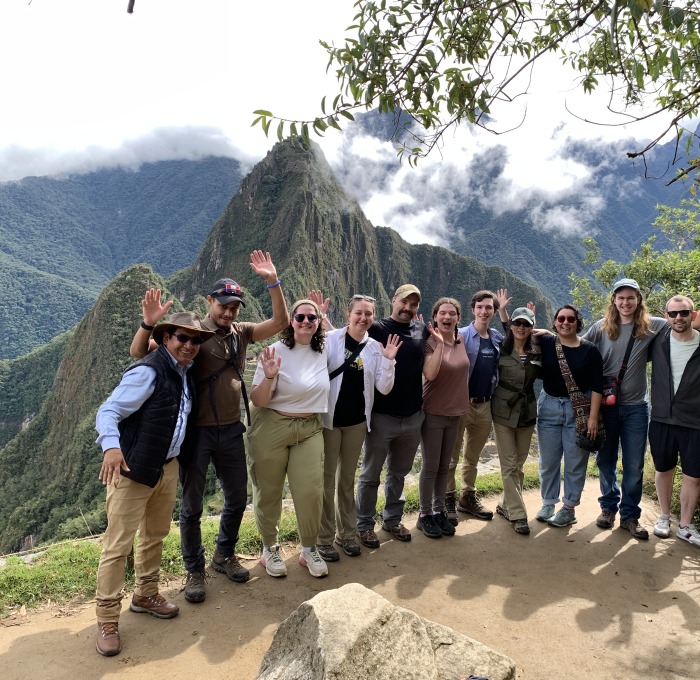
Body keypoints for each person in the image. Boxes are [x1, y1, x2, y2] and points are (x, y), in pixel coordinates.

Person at [130, 250, 288, 603]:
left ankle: (223, 555)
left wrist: (273, 281)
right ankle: (194, 569)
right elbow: (141, 353)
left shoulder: (241, 333)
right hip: (198, 432)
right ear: (210, 302)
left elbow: (280, 322)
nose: (228, 312)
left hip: (232, 429)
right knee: (192, 506)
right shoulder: (191, 333)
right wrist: (146, 324)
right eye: (223, 305)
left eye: (234, 307)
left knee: (236, 498)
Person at [94, 312, 214, 657]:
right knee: (117, 546)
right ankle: (107, 618)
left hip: (167, 466)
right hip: (133, 471)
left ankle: (145, 594)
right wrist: (112, 447)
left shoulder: (185, 371)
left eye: (195, 340)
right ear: (166, 339)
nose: (189, 345)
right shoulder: (149, 371)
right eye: (181, 338)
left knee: (154, 535)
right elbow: (109, 411)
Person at [248, 299, 330, 578]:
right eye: (300, 317)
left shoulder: (325, 349)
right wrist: (269, 378)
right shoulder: (274, 351)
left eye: (312, 318)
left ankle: (309, 549)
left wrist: (325, 314)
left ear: (319, 322)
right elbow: (258, 400)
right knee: (268, 489)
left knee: (310, 490)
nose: (306, 322)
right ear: (291, 321)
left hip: (309, 427)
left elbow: (351, 335)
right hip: (273, 424)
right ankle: (269, 548)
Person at [581, 278, 667, 540]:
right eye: (621, 298)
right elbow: (574, 344)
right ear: (614, 300)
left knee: (634, 464)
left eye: (631, 297)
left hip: (636, 408)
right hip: (605, 406)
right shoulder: (601, 327)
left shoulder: (652, 326)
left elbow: (682, 323)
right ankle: (608, 507)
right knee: (605, 460)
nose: (626, 302)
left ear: (639, 300)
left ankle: (630, 515)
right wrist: (544, 334)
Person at [316, 295, 401, 561]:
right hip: (330, 421)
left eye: (369, 314)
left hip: (356, 423)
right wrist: (319, 319)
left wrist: (388, 361)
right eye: (359, 313)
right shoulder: (331, 340)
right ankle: (324, 539)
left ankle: (347, 534)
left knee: (346, 480)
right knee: (327, 481)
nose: (363, 318)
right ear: (349, 313)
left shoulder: (375, 347)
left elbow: (384, 388)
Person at [355, 284, 429, 548]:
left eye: (413, 305)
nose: (407, 308)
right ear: (393, 300)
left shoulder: (421, 329)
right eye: (404, 302)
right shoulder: (376, 329)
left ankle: (392, 519)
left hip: (412, 415)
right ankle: (364, 524)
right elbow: (347, 338)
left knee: (399, 472)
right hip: (382, 415)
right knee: (370, 473)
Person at [536, 304, 604, 527]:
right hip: (548, 407)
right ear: (554, 322)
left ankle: (569, 508)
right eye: (561, 319)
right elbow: (517, 333)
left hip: (579, 411)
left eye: (571, 319)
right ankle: (548, 503)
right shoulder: (546, 342)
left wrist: (593, 418)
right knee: (548, 460)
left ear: (578, 323)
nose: (566, 322)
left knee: (575, 462)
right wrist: (508, 315)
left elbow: (597, 386)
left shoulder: (590, 350)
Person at [447, 289, 509, 524]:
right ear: (473, 309)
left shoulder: (495, 338)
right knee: (451, 457)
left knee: (472, 457)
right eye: (480, 307)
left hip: (485, 405)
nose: (484, 311)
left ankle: (467, 497)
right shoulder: (460, 335)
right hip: (461, 403)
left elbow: (514, 339)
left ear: (493, 311)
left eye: (489, 308)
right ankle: (447, 499)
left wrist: (504, 311)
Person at [649, 295, 700, 547]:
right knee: (663, 470)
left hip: (695, 420)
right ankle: (664, 517)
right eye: (673, 314)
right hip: (662, 418)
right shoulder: (658, 341)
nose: (678, 318)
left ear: (693, 314)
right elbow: (621, 323)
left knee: (694, 475)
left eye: (684, 313)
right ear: (666, 317)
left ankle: (686, 525)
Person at [417, 297, 470, 539]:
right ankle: (424, 514)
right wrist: (439, 344)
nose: (447, 317)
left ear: (458, 318)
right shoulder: (430, 342)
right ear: (435, 317)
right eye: (442, 314)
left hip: (455, 412)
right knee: (430, 466)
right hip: (434, 411)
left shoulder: (461, 341)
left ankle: (439, 510)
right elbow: (430, 373)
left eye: (452, 314)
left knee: (444, 466)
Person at [491, 307, 542, 535]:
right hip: (503, 410)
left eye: (526, 324)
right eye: (517, 323)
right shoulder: (500, 347)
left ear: (532, 327)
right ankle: (519, 515)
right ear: (511, 325)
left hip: (527, 410)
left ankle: (505, 505)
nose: (521, 328)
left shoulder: (538, 350)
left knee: (519, 464)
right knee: (509, 464)